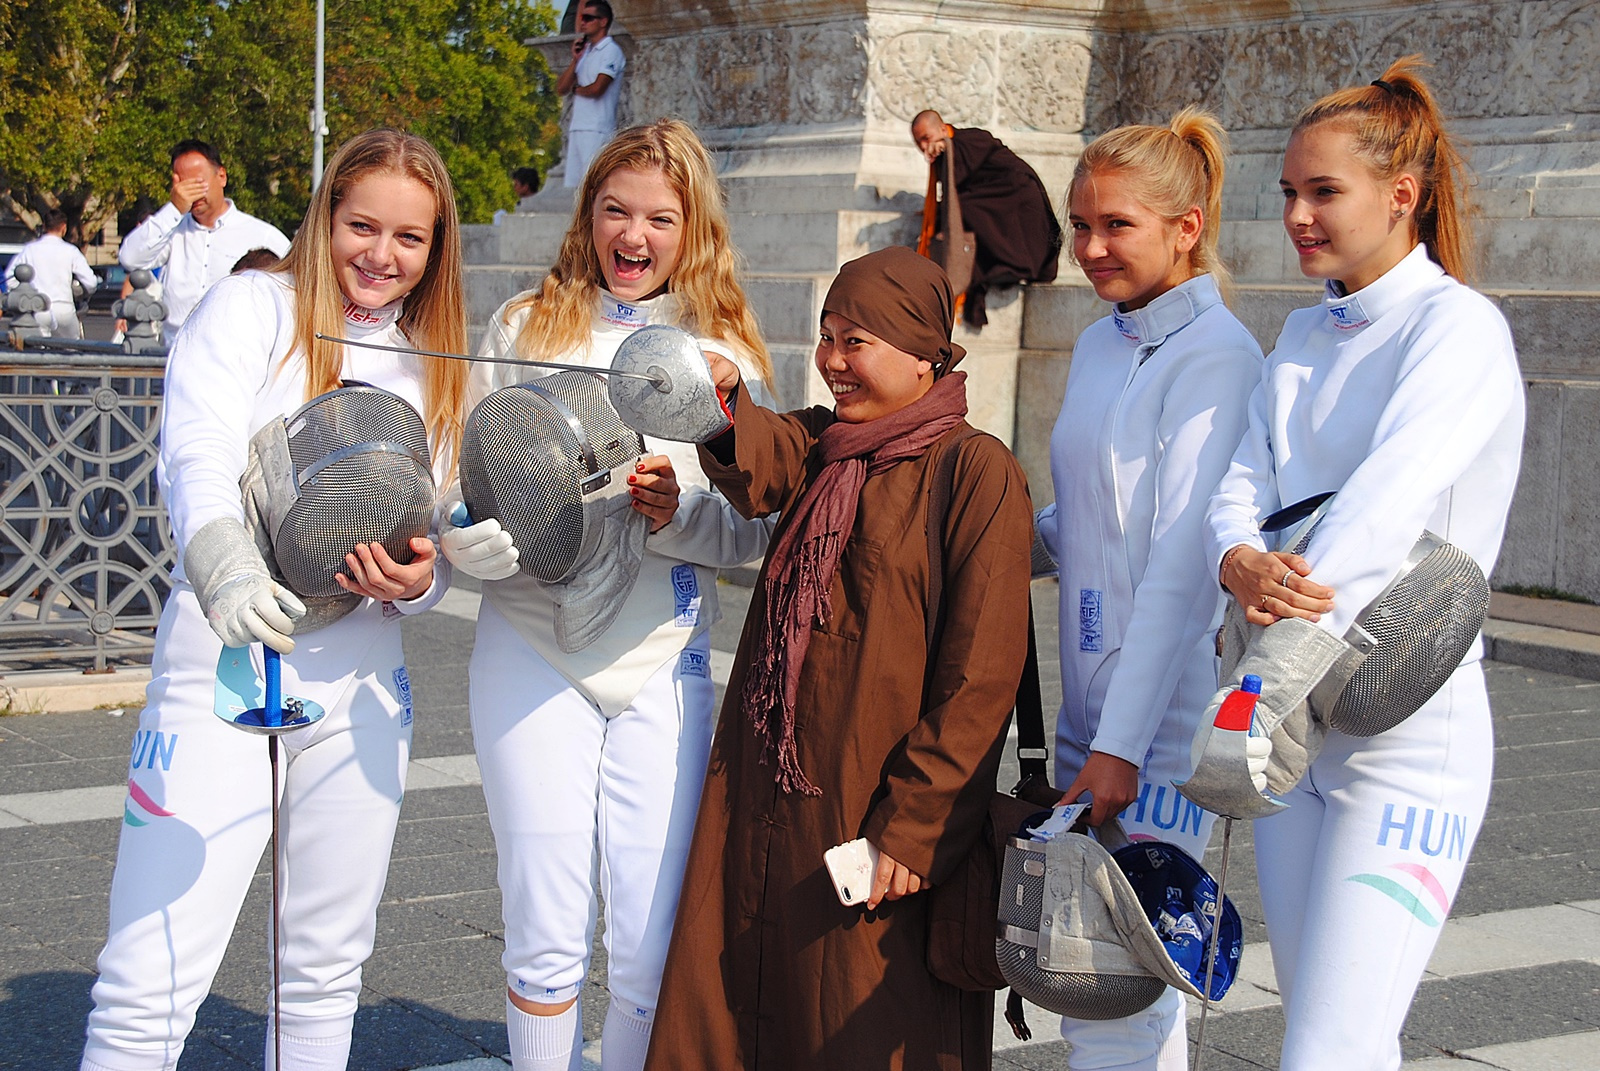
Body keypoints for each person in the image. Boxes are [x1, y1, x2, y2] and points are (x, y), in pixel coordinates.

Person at [80, 129, 470, 1071]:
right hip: (224, 663)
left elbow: (442, 521)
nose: (381, 256)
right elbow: (197, 450)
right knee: (152, 970)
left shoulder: (435, 357)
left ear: (435, 249)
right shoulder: (250, 306)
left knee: (325, 974)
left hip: (362, 680)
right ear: (325, 216)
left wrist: (426, 582)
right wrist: (225, 569)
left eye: (408, 239)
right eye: (361, 226)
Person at [643, 245, 1035, 1070]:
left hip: (875, 811)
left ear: (926, 349)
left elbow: (980, 678)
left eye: (855, 340)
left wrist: (914, 826)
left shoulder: (974, 470)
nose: (831, 360)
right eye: (826, 337)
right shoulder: (828, 445)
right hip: (769, 790)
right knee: (745, 1001)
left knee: (860, 1014)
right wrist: (719, 403)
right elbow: (766, 458)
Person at [1204, 57, 1523, 1071]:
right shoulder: (1299, 334)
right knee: (1323, 1036)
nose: (1298, 214)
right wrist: (1236, 559)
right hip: (1297, 731)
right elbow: (1239, 479)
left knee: (1330, 1049)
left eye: (1322, 192)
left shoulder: (1458, 329)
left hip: (1404, 741)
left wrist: (1276, 621)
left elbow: (1387, 503)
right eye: (1289, 192)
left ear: (1400, 195)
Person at [440, 117, 774, 1071]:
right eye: (615, 210)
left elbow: (753, 529)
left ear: (692, 227)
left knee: (647, 936)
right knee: (543, 919)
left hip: (662, 656)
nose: (634, 237)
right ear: (588, 214)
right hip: (529, 648)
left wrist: (676, 516)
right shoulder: (522, 326)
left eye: (659, 218)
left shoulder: (728, 357)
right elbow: (462, 490)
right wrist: (484, 543)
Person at [1033, 109, 1262, 1070]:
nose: (1089, 248)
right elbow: (1077, 521)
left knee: (1130, 984)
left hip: (1161, 728)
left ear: (1187, 225)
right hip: (1089, 709)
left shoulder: (1221, 355)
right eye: (1080, 224)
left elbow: (1177, 562)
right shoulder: (1100, 344)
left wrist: (1125, 746)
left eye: (1116, 225)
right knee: (1086, 978)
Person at [119, 139, 292, 338]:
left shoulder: (262, 235)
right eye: (183, 185)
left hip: (236, 355)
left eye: (198, 183)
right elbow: (130, 258)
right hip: (176, 351)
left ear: (221, 176)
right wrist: (174, 209)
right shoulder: (173, 232)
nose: (191, 192)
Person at [911, 109, 1062, 328]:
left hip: (1018, 196)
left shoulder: (969, 140)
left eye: (926, 138)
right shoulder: (946, 153)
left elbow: (973, 184)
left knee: (969, 210)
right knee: (962, 210)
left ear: (943, 129)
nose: (925, 147)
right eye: (919, 143)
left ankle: (1015, 264)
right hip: (994, 200)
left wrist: (949, 147)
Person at [557, 1, 626, 188]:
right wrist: (575, 60)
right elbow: (561, 88)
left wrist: (576, 90)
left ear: (603, 21)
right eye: (581, 18)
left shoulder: (611, 50)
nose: (582, 23)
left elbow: (597, 88)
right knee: (574, 187)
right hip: (578, 126)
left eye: (588, 18)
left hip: (598, 127)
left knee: (593, 184)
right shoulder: (585, 52)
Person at [5, 208, 97, 339]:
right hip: (64, 307)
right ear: (64, 228)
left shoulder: (30, 249)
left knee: (40, 349)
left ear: (44, 226)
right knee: (73, 350)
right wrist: (83, 293)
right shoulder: (70, 251)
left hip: (38, 306)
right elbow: (91, 282)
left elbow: (10, 279)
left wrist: (24, 294)